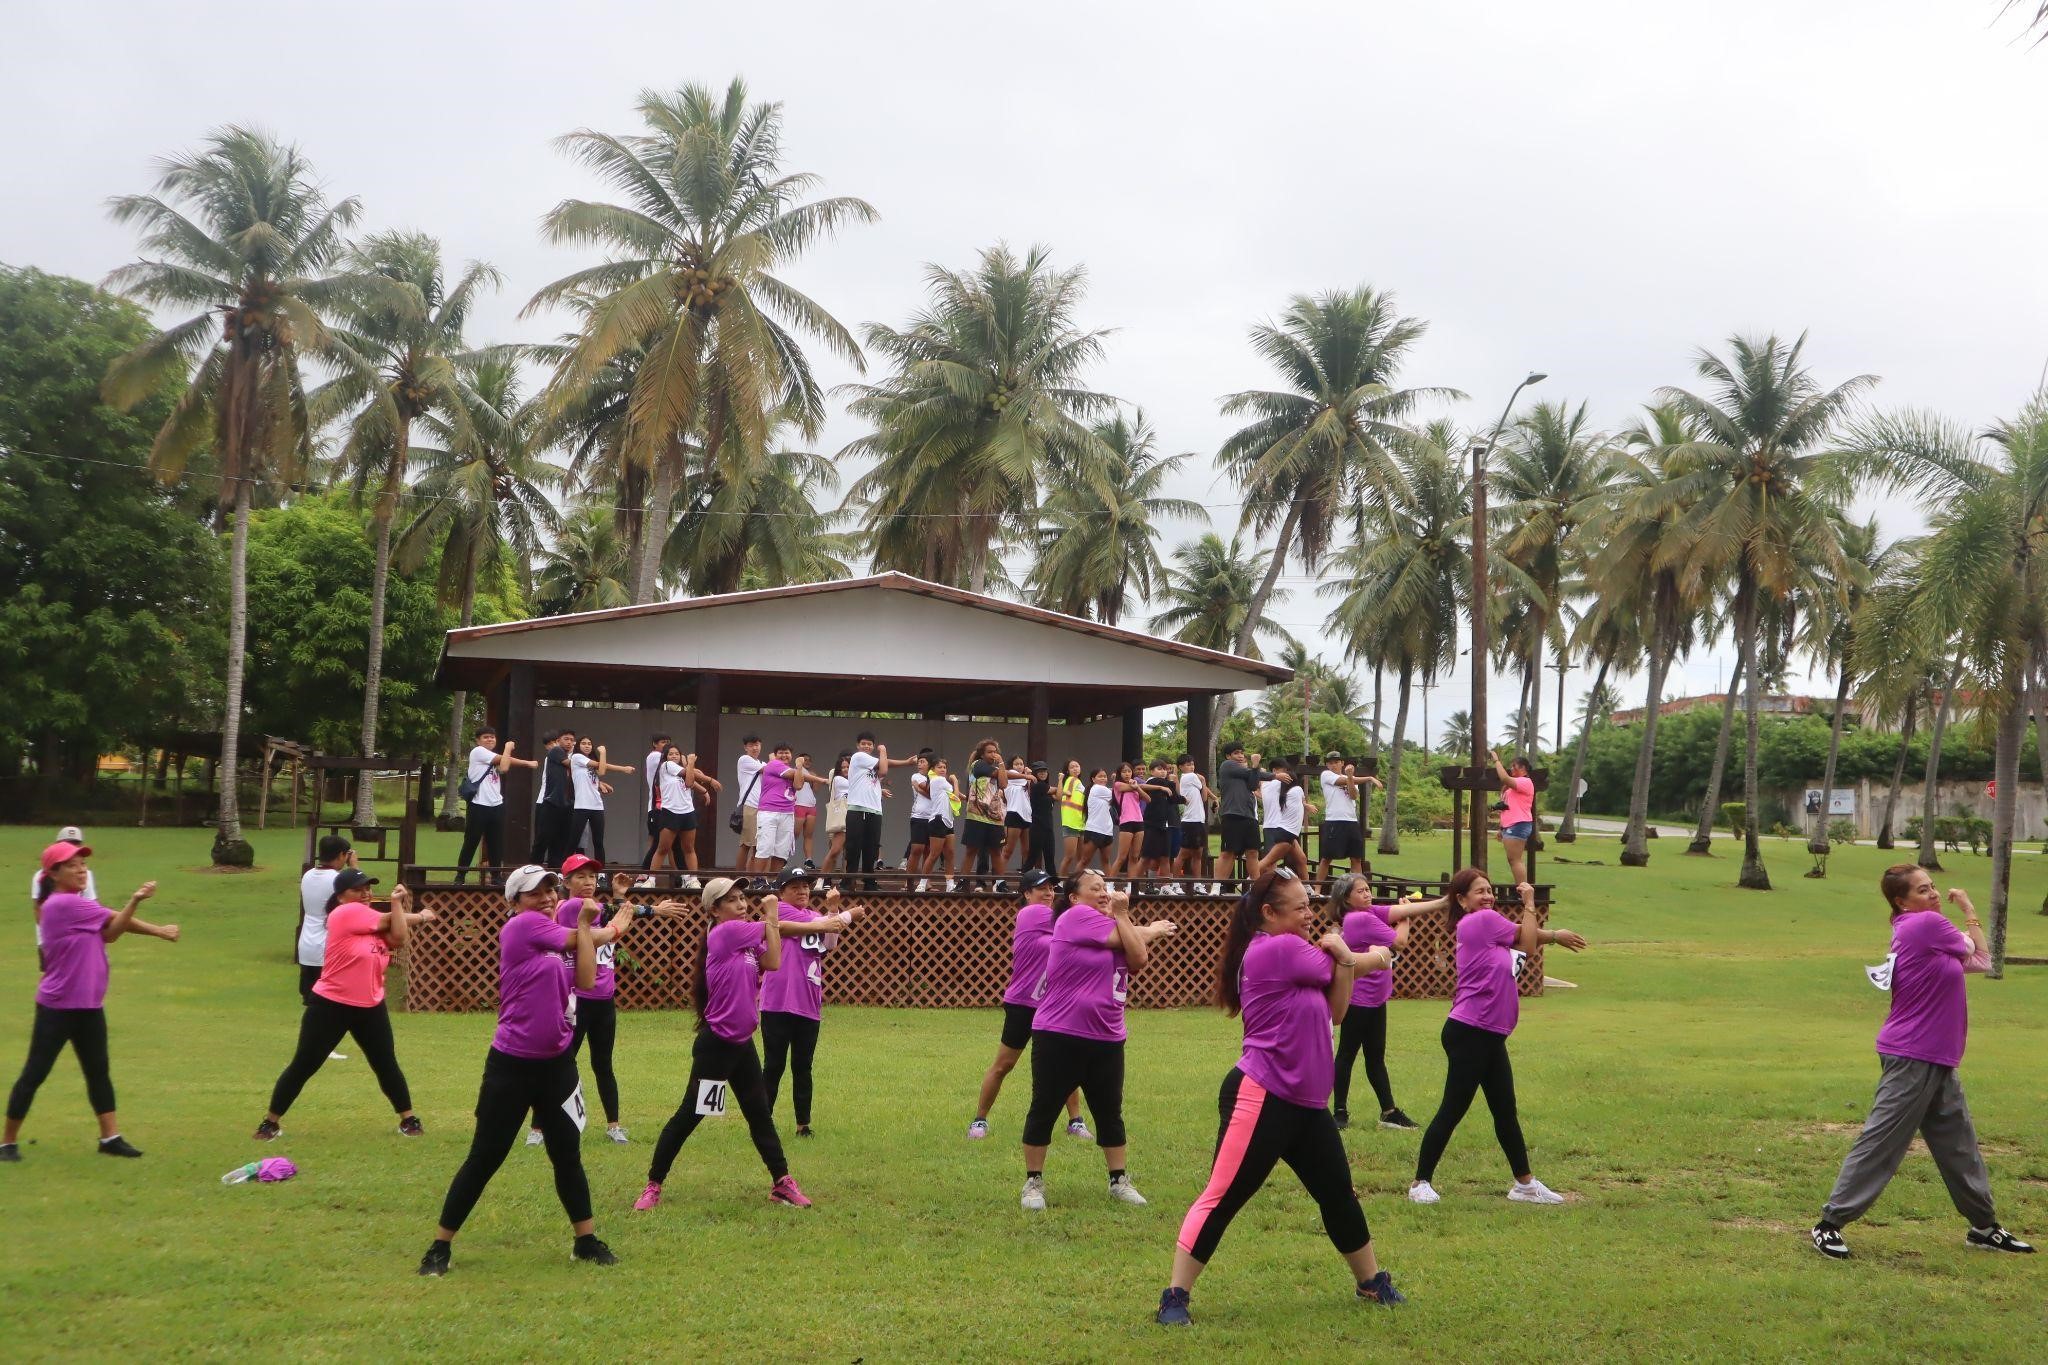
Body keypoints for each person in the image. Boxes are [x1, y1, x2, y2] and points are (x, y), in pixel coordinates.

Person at [1155, 867, 1403, 1325]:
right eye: (1300, 907)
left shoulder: (1297, 952)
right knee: (1223, 1195)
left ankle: (1370, 1282)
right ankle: (1174, 1297)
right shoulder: (1279, 948)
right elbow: (1344, 965)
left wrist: (1349, 958)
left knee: (1338, 1193)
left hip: (1307, 1105)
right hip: (1262, 1096)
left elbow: (1338, 1009)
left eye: (1310, 904)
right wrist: (1376, 955)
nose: (1311, 914)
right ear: (1269, 914)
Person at [1810, 867, 2034, 1260]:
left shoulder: (1926, 934)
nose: (1932, 894)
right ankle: (1828, 1225)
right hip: (1912, 1054)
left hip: (1938, 1057)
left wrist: (1968, 910)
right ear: (1902, 901)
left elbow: (1981, 961)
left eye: (1932, 887)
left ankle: (1984, 1228)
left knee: (1958, 1144)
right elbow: (1973, 951)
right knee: (1883, 1139)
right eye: (1922, 889)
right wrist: (1964, 914)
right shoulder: (1925, 925)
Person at [417, 865, 615, 1276]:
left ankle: (585, 1240)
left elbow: (585, 980)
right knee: (485, 1157)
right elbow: (580, 937)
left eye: (548, 890)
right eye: (533, 893)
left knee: (567, 1155)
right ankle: (439, 1246)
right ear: (513, 902)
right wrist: (614, 927)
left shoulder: (557, 936)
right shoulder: (522, 928)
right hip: (512, 1063)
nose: (544, 898)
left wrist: (583, 931)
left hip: (557, 1063)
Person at [1409, 869, 1586, 1206]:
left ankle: (1525, 1185)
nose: (1487, 896)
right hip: (1471, 1031)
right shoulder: (1483, 921)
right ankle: (1420, 1183)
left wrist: (1556, 934)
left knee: (1505, 1110)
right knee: (1453, 1108)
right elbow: (1529, 942)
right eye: (1479, 891)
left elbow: (1523, 934)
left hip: (1487, 1034)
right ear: (1462, 900)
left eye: (1489, 890)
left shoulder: (1485, 927)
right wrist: (1530, 903)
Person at [635, 877, 813, 1212]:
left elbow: (773, 961)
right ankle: (653, 1185)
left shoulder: (746, 939)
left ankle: (781, 1183)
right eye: (731, 900)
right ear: (715, 910)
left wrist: (772, 920)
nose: (741, 904)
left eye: (742, 897)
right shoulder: (725, 933)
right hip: (716, 1047)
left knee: (760, 1116)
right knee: (691, 1115)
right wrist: (773, 915)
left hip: (742, 1045)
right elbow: (772, 929)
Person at [3, 841, 179, 1163]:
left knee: (98, 1071)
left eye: (83, 865)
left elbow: (111, 933)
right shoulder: (62, 904)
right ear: (54, 873)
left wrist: (135, 910)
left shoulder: (77, 905)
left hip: (88, 1005)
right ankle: (7, 1143)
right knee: (35, 1073)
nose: (81, 870)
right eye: (72, 865)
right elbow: (114, 918)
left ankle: (110, 1138)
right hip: (57, 1007)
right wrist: (150, 919)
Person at [1018, 870, 1177, 1211]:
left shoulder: (1116, 925)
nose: (1104, 893)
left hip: (1107, 1034)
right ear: (1074, 897)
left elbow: (1139, 958)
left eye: (1106, 888)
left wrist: (1125, 920)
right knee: (1044, 1107)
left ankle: (1119, 1180)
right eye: (1095, 888)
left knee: (1109, 1112)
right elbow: (1132, 941)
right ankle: (1033, 1182)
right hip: (1060, 1032)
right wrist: (1144, 927)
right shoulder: (1075, 917)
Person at [255, 871, 432, 1140]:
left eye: (368, 889)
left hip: (370, 1005)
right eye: (357, 889)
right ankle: (270, 1123)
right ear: (340, 896)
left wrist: (396, 904)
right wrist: (421, 916)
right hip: (330, 1005)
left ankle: (408, 1119)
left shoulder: (372, 924)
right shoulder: (346, 913)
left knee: (385, 1063)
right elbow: (389, 921)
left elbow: (398, 938)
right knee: (304, 1064)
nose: (365, 894)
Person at [525, 859, 658, 1147]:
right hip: (576, 999)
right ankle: (538, 1128)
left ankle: (613, 1125)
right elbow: (615, 914)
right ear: (566, 881)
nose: (588, 882)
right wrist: (656, 909)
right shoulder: (573, 906)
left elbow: (613, 914)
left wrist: (621, 896)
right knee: (560, 1063)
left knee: (603, 1064)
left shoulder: (592, 907)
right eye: (580, 877)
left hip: (603, 1000)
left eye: (593, 877)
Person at [967, 870, 1088, 1141]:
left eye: (1051, 888)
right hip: (1023, 1003)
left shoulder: (1060, 921)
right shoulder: (1030, 914)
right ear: (1026, 894)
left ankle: (1076, 1121)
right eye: (1040, 888)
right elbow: (1075, 920)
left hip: (1053, 1004)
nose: (1048, 893)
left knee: (1065, 1065)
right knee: (1004, 1064)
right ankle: (979, 1120)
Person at [759, 867, 862, 1137]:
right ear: (781, 893)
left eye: (805, 886)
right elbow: (814, 927)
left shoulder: (814, 916)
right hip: (778, 1002)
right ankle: (761, 1122)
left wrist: (832, 910)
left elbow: (830, 942)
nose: (802, 890)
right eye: (794, 887)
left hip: (808, 1001)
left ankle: (803, 1125)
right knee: (774, 1065)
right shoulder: (778, 910)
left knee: (803, 1067)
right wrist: (846, 914)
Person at [1329, 874, 1425, 1131]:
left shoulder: (1370, 912)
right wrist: (1404, 919)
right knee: (1348, 1054)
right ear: (1346, 898)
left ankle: (1388, 1112)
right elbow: (1400, 942)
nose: (1367, 894)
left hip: (1375, 999)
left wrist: (1440, 903)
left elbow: (1402, 909)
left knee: (1374, 1057)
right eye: (1359, 891)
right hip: (1358, 999)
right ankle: (1339, 1113)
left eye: (1367, 889)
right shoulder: (1358, 918)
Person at [845, 732, 915, 890]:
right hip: (858, 808)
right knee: (854, 847)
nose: (867, 746)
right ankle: (849, 881)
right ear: (858, 745)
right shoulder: (858, 757)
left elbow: (884, 764)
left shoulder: (871, 761)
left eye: (869, 744)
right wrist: (883, 749)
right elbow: (883, 770)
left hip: (875, 810)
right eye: (863, 743)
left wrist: (906, 762)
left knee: (872, 847)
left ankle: (869, 882)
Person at [296, 835, 354, 1006]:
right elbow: (359, 899)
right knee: (330, 1002)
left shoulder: (307, 876)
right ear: (342, 855)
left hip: (307, 947)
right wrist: (354, 867)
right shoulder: (338, 880)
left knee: (311, 1002)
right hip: (329, 949)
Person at [455, 730, 514, 884]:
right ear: (478, 741)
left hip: (496, 805)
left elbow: (504, 764)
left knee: (496, 842)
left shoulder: (492, 757)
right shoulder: (478, 752)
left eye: (492, 737)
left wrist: (520, 760)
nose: (490, 739)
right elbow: (506, 766)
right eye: (485, 737)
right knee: (471, 841)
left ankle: (496, 876)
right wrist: (508, 747)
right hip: (478, 804)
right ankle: (460, 876)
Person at [1317, 755, 1382, 884]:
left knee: (1356, 858)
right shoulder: (1326, 775)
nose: (1334, 765)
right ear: (1327, 765)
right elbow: (1342, 781)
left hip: (1351, 821)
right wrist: (1369, 778)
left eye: (1337, 762)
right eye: (1331, 763)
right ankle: (1317, 889)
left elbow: (1353, 795)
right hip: (1334, 821)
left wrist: (1351, 777)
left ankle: (1357, 888)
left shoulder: (1350, 778)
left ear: (1342, 763)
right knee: (1326, 858)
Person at [567, 737, 633, 864]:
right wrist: (603, 753)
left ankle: (601, 872)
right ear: (578, 746)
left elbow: (600, 768)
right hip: (581, 806)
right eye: (584, 743)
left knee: (598, 841)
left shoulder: (592, 762)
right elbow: (602, 770)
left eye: (589, 744)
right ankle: (562, 872)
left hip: (597, 806)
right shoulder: (576, 757)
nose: (587, 746)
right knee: (573, 840)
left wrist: (622, 769)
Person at [1215, 744, 1273, 885]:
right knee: (1229, 852)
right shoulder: (1227, 765)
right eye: (1236, 753)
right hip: (1232, 815)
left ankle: (1255, 887)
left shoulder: (1247, 771)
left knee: (1253, 852)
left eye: (1242, 753)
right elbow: (1252, 773)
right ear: (1228, 756)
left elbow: (1253, 785)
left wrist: (1255, 769)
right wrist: (1274, 775)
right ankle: (1216, 887)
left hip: (1249, 817)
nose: (1240, 756)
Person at [961, 738, 1009, 889]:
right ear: (982, 754)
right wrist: (1023, 775)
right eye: (989, 752)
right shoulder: (978, 765)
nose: (993, 754)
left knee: (996, 851)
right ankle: (963, 882)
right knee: (971, 849)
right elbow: (1003, 780)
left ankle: (1000, 884)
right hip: (976, 815)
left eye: (995, 751)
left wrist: (1001, 763)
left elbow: (1004, 784)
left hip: (993, 817)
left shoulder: (996, 768)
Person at [524, 729, 577, 867]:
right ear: (557, 741)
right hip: (548, 802)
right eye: (566, 739)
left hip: (565, 803)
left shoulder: (571, 756)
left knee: (560, 840)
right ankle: (533, 868)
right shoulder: (556, 751)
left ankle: (556, 870)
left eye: (572, 740)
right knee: (543, 838)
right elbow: (574, 765)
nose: (569, 742)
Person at [753, 743, 805, 875]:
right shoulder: (773, 765)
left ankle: (774, 880)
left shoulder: (794, 770)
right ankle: (759, 880)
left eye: (787, 752)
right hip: (769, 812)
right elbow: (798, 779)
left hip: (787, 813)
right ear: (775, 755)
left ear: (791, 755)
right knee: (765, 848)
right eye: (780, 753)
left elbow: (798, 785)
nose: (784, 755)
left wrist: (799, 767)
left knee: (781, 851)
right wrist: (800, 767)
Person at [1254, 761, 1311, 881]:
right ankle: (1248, 882)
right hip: (1276, 828)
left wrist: (1305, 805)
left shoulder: (1267, 785)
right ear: (1274, 771)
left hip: (1284, 829)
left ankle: (1307, 887)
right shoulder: (1274, 784)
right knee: (1270, 862)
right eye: (1283, 772)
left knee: (1301, 859)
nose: (1286, 775)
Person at [1492, 750, 1537, 886]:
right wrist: (1501, 828)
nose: (1511, 769)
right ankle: (1522, 889)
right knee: (1512, 860)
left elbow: (1504, 778)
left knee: (1515, 860)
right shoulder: (1511, 789)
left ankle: (1523, 892)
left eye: (1514, 766)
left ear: (1523, 768)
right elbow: (1507, 808)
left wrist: (1496, 761)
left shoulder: (1525, 782)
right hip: (1511, 825)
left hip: (1519, 824)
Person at [1174, 756, 1217, 892]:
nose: (1191, 767)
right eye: (1187, 765)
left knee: (1198, 854)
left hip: (1198, 820)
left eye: (1192, 764)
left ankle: (1197, 884)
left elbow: (1204, 795)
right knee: (1183, 854)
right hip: (1190, 821)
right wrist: (1203, 781)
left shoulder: (1191, 778)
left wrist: (1214, 797)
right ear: (1181, 767)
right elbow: (1204, 797)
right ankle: (1175, 884)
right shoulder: (1189, 777)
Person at [1138, 759, 1182, 890]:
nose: (1163, 771)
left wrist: (1183, 798)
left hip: (1165, 826)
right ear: (1151, 771)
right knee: (1145, 857)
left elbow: (1175, 798)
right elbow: (1170, 790)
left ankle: (1166, 887)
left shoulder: (1166, 784)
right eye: (1159, 769)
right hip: (1152, 825)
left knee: (1165, 857)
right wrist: (1172, 782)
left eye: (1164, 769)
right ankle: (1131, 886)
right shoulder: (1153, 781)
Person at [638, 732, 671, 875]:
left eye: (668, 742)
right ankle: (644, 874)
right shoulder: (654, 757)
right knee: (656, 843)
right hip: (656, 807)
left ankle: (677, 875)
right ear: (654, 744)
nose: (666, 745)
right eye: (663, 742)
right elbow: (678, 765)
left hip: (667, 806)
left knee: (671, 845)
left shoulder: (666, 760)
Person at [1108, 762, 1147, 883]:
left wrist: (1138, 787)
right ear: (1119, 773)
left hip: (1139, 821)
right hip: (1126, 822)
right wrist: (1136, 785)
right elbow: (1130, 787)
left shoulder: (1135, 786)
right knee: (1121, 857)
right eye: (1124, 771)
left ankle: (1131, 886)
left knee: (1135, 857)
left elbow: (1148, 798)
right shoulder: (1118, 784)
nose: (1127, 774)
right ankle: (1109, 885)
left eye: (1129, 771)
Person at [734, 735, 766, 871]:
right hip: (750, 806)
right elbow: (769, 770)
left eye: (757, 744)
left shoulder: (761, 763)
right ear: (745, 747)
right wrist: (774, 761)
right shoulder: (744, 759)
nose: (755, 747)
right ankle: (739, 877)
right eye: (752, 745)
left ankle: (751, 877)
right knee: (746, 844)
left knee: (758, 846)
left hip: (762, 808)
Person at [926, 759, 959, 891]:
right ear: (933, 770)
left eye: (944, 767)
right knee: (934, 854)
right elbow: (956, 796)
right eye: (939, 767)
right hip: (938, 819)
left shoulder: (944, 783)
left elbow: (956, 795)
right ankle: (923, 883)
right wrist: (955, 781)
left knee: (950, 853)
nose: (942, 769)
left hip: (948, 820)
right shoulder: (938, 780)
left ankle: (950, 884)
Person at [1026, 760, 1061, 881]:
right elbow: (1059, 792)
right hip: (1037, 826)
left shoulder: (1046, 788)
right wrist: (1061, 781)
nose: (1042, 773)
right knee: (1033, 856)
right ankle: (1024, 882)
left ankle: (1054, 882)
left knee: (1049, 856)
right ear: (1035, 773)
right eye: (1039, 771)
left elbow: (1059, 796)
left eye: (1044, 771)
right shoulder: (1038, 786)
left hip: (1048, 827)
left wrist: (1059, 785)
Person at [791, 750, 827, 866]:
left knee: (808, 835)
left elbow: (815, 790)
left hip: (811, 805)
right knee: (794, 834)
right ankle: (783, 857)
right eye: (804, 759)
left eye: (808, 760)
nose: (806, 762)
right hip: (798, 804)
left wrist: (814, 778)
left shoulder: (811, 773)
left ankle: (808, 860)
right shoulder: (795, 771)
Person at [1077, 768, 1116, 873]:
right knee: (1085, 860)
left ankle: (1109, 886)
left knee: (1106, 861)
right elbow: (1117, 793)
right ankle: (1074, 884)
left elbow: (1116, 793)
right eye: (1100, 776)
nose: (1103, 778)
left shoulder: (1105, 791)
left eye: (1104, 776)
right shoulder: (1096, 788)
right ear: (1093, 779)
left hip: (1107, 830)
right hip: (1094, 830)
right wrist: (1116, 781)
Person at [1001, 753, 1034, 875]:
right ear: (1011, 766)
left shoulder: (1025, 779)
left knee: (1026, 851)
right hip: (1014, 814)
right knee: (1008, 850)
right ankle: (998, 880)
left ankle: (1026, 879)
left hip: (1026, 816)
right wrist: (1028, 775)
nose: (1019, 766)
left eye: (1021, 764)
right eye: (1016, 764)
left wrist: (1028, 777)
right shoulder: (1011, 775)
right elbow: (1025, 778)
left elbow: (1030, 792)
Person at [821, 753, 852, 874]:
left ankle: (845, 879)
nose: (845, 769)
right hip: (842, 819)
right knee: (835, 850)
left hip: (853, 817)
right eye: (843, 767)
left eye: (848, 767)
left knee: (849, 852)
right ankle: (822, 878)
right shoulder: (838, 779)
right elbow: (857, 787)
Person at [1058, 759, 1089, 875]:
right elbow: (1064, 794)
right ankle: (1060, 883)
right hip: (1071, 822)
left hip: (1080, 823)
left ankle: (1078, 883)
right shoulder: (1071, 780)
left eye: (1077, 766)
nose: (1075, 768)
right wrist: (1060, 781)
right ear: (1067, 771)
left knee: (1081, 859)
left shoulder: (1079, 782)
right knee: (1069, 856)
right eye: (1072, 767)